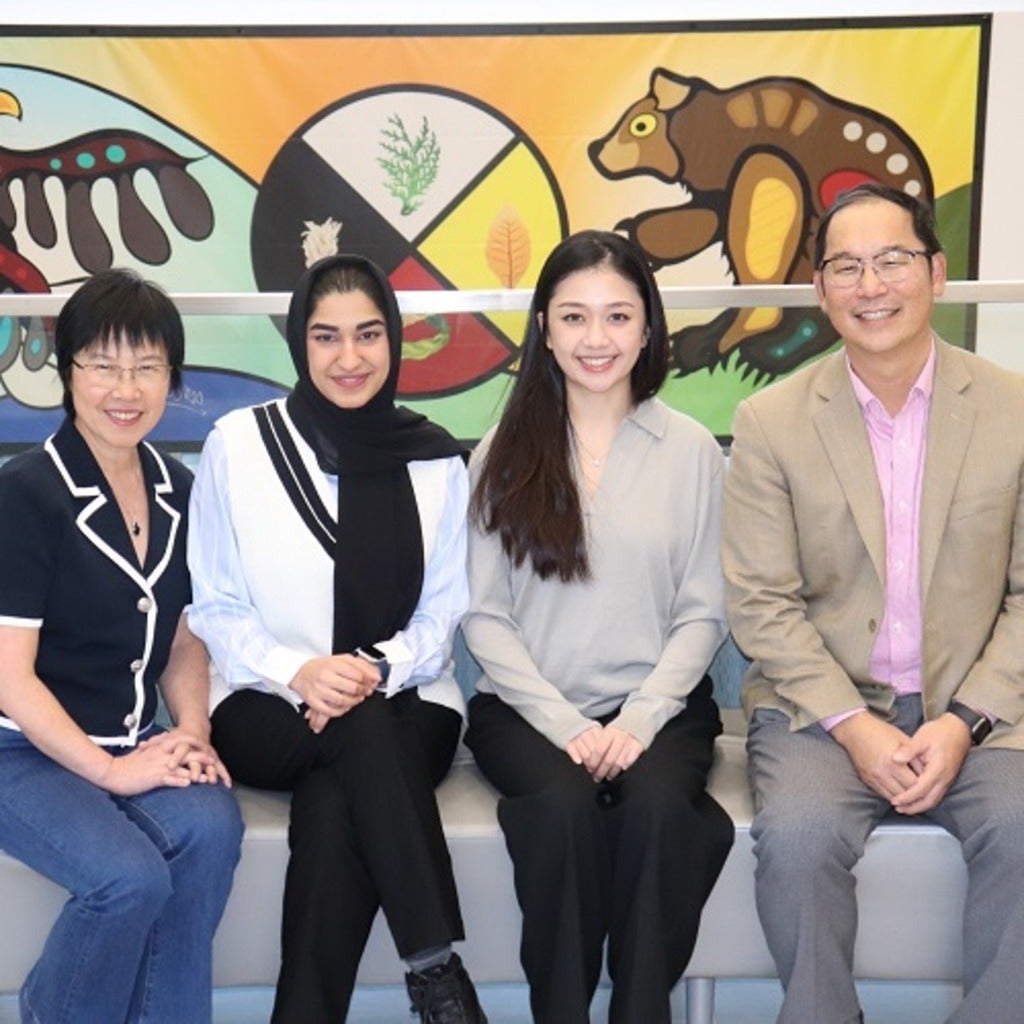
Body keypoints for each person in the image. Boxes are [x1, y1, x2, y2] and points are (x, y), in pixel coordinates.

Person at [722, 182, 1024, 1024]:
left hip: (982, 708)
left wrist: (963, 721)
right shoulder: (771, 421)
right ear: (820, 291)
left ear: (935, 270)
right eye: (846, 267)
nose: (871, 286)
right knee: (799, 841)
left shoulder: (1015, 409)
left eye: (892, 260)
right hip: (826, 708)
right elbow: (761, 603)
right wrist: (854, 729)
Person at [187, 253, 487, 1024]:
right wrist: (300, 672)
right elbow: (215, 607)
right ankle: (437, 971)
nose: (349, 358)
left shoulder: (434, 459)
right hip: (264, 702)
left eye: (368, 335)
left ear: (394, 342)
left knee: (335, 801)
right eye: (326, 337)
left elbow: (444, 611)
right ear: (299, 343)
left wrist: (366, 671)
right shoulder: (239, 445)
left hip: (408, 697)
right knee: (357, 746)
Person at [463, 229, 734, 1024]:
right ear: (544, 325)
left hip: (659, 708)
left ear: (648, 328)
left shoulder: (690, 452)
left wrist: (641, 720)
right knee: (561, 813)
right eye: (575, 317)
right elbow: (485, 617)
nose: (596, 339)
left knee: (658, 814)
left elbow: (703, 610)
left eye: (618, 317)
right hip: (529, 713)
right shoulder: (502, 453)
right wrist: (568, 726)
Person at [0, 269, 243, 1024]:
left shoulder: (178, 488)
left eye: (146, 367)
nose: (124, 388)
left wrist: (193, 734)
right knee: (128, 879)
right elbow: (10, 679)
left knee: (210, 825)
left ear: (171, 376)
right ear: (68, 371)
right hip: (20, 752)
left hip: (133, 737)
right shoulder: (26, 493)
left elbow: (180, 638)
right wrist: (113, 770)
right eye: (102, 365)